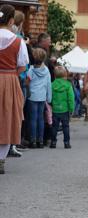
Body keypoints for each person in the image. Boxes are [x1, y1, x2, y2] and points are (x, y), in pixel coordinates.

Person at [0, 4, 29, 174]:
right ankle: (1, 159)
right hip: (9, 80)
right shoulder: (18, 40)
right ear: (12, 20)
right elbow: (22, 66)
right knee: (7, 118)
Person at [26, 48, 52, 148]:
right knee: (41, 119)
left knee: (32, 119)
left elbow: (27, 82)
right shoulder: (46, 70)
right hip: (42, 97)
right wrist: (49, 98)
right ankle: (40, 141)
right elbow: (49, 85)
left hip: (32, 96)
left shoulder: (31, 69)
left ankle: (32, 141)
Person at [50, 66, 75, 149]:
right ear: (65, 75)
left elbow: (50, 97)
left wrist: (51, 104)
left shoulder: (52, 85)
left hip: (55, 109)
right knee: (66, 127)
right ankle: (66, 143)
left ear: (55, 75)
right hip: (65, 110)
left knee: (54, 127)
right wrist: (71, 109)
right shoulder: (68, 85)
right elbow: (71, 98)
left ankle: (53, 142)